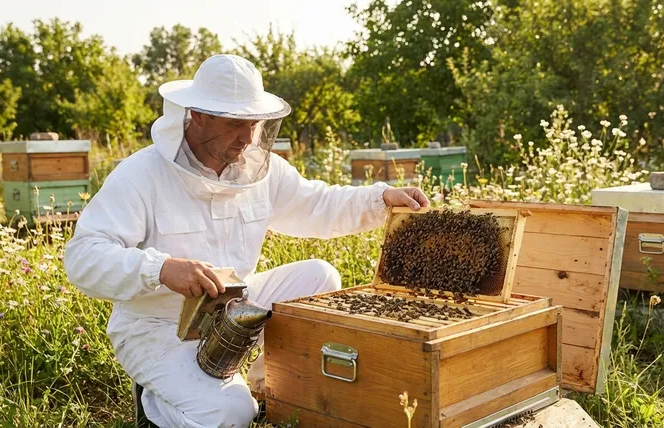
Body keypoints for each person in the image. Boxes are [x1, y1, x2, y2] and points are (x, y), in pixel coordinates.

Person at [63, 53, 429, 428]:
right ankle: (156, 407)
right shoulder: (142, 174)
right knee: (232, 413)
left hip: (232, 310)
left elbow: (318, 203)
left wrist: (380, 199)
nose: (248, 136)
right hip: (157, 327)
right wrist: (161, 268)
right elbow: (83, 256)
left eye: (253, 123)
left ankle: (267, 386)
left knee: (320, 277)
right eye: (234, 123)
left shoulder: (260, 171)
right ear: (198, 116)